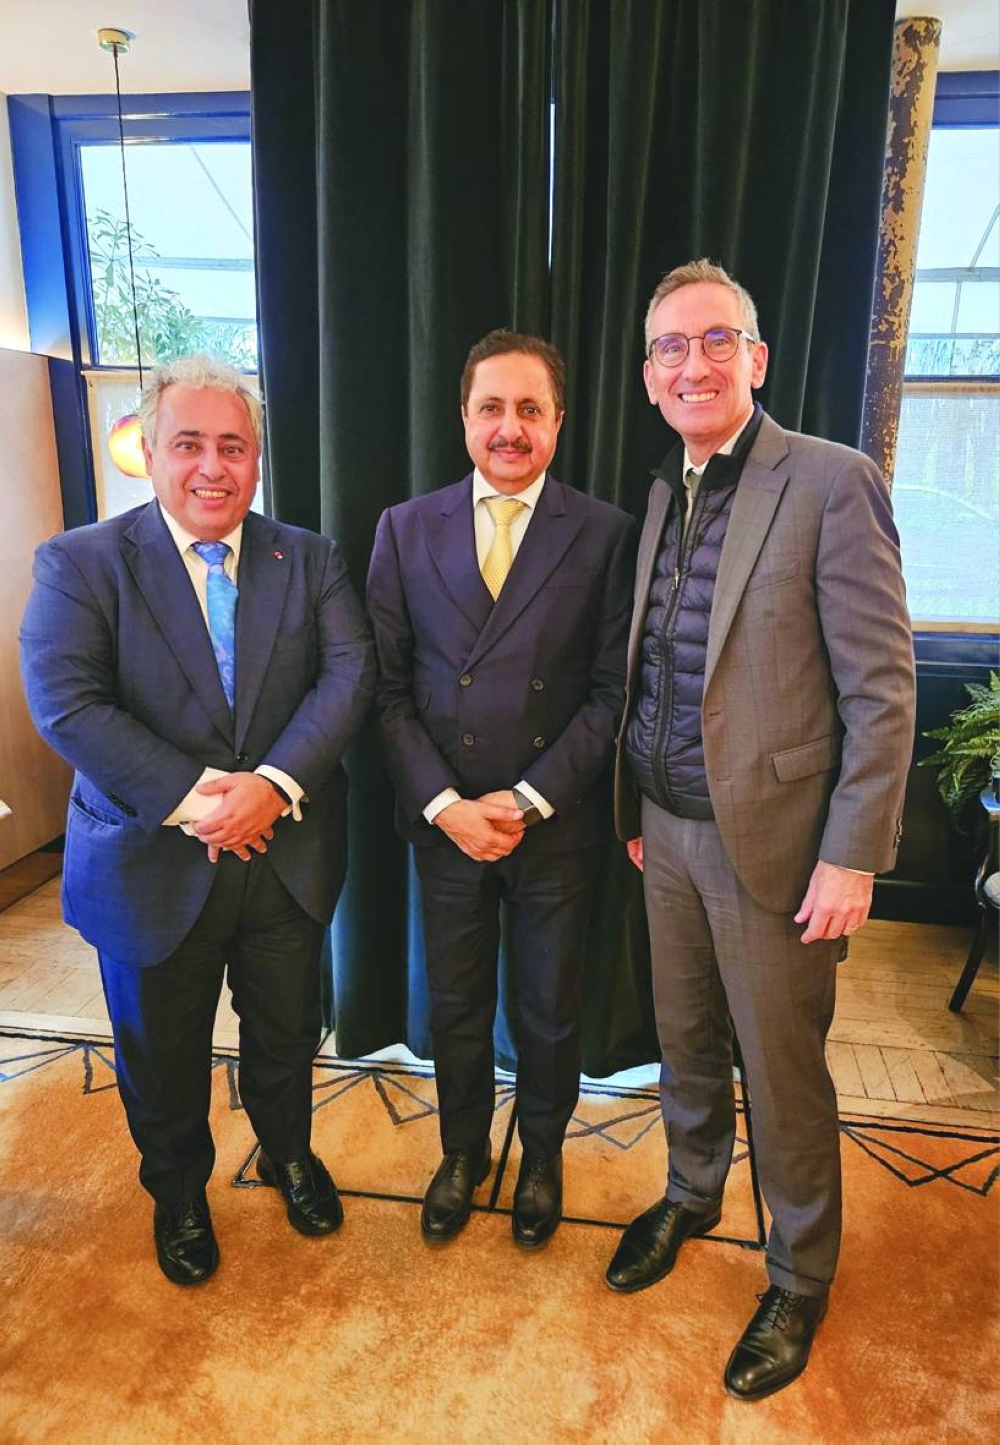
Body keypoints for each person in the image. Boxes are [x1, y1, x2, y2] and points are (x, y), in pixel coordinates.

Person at [608, 260, 915, 1399]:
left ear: (756, 358)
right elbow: (655, 665)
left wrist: (851, 852)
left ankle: (797, 1270)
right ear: (648, 378)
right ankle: (691, 1191)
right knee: (683, 1041)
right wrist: (635, 804)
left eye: (715, 340)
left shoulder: (832, 482)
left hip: (783, 851)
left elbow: (882, 688)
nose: (694, 363)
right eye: (671, 348)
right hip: (663, 830)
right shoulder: (662, 492)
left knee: (782, 1074)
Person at [20, 355, 374, 1286]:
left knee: (287, 1033)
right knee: (160, 1053)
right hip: (147, 863)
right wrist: (202, 802)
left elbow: (348, 679)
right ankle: (177, 1194)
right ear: (152, 453)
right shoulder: (80, 562)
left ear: (257, 458)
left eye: (234, 446)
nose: (213, 466)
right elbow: (68, 703)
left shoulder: (312, 557)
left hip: (286, 856)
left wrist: (273, 785)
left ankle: (289, 1154)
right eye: (190, 444)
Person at [366, 330, 636, 1248]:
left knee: (550, 1005)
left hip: (550, 822)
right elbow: (387, 690)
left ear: (559, 422)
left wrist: (526, 799)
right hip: (447, 821)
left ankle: (547, 1152)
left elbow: (611, 695)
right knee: (456, 999)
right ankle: (461, 1151)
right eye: (493, 407)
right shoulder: (405, 528)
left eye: (530, 409)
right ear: (465, 416)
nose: (509, 428)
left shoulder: (605, 533)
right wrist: (448, 805)